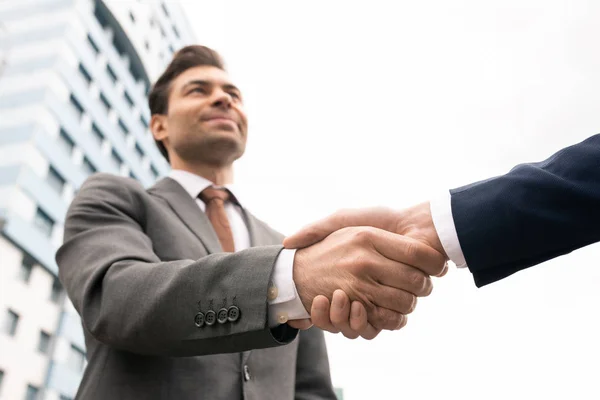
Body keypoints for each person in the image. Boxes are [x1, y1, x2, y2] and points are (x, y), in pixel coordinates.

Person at [56, 45, 446, 399]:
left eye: (233, 94)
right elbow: (115, 300)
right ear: (159, 125)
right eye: (198, 90)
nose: (223, 98)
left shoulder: (285, 244)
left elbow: (311, 386)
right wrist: (289, 280)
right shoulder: (114, 197)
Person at [284, 134, 600, 337]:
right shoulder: (281, 247)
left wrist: (428, 226)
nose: (230, 100)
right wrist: (295, 280)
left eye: (236, 93)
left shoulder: (279, 242)